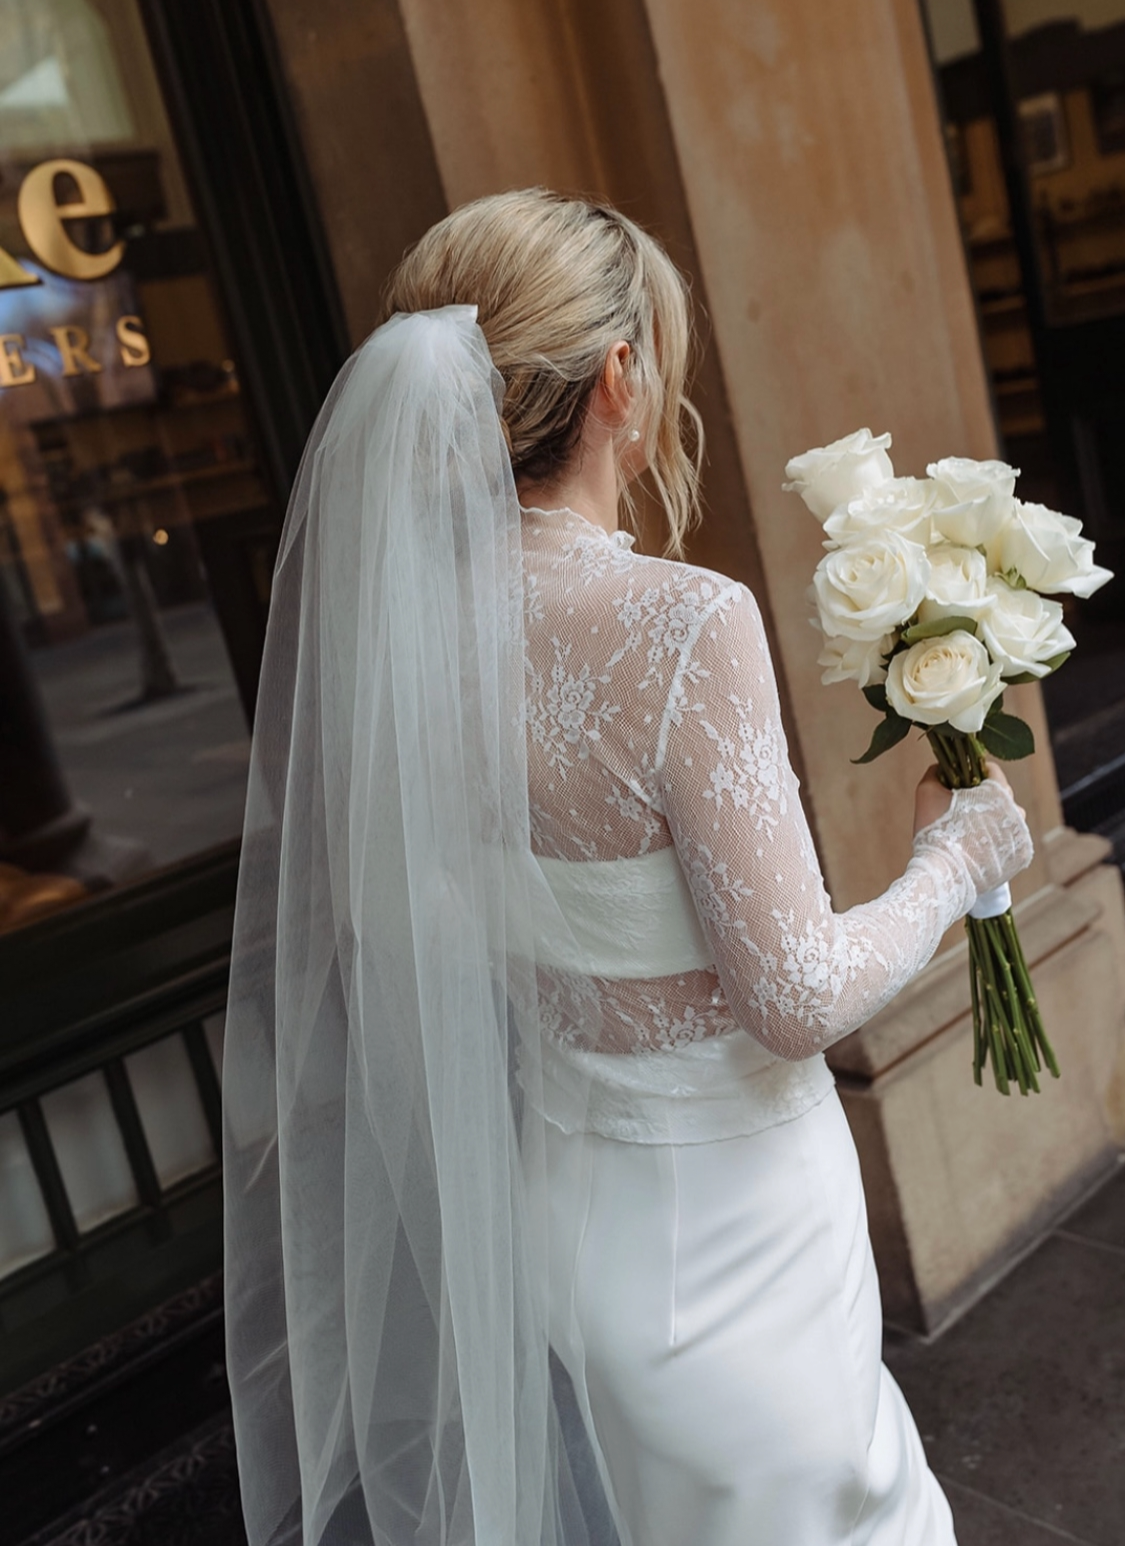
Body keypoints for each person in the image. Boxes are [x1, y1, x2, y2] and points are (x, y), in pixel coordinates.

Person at [223, 188, 1033, 1546]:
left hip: (571, 1223)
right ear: (619, 379)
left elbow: (397, 925)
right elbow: (792, 996)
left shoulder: (397, 639)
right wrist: (957, 859)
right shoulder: (681, 623)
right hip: (742, 1230)